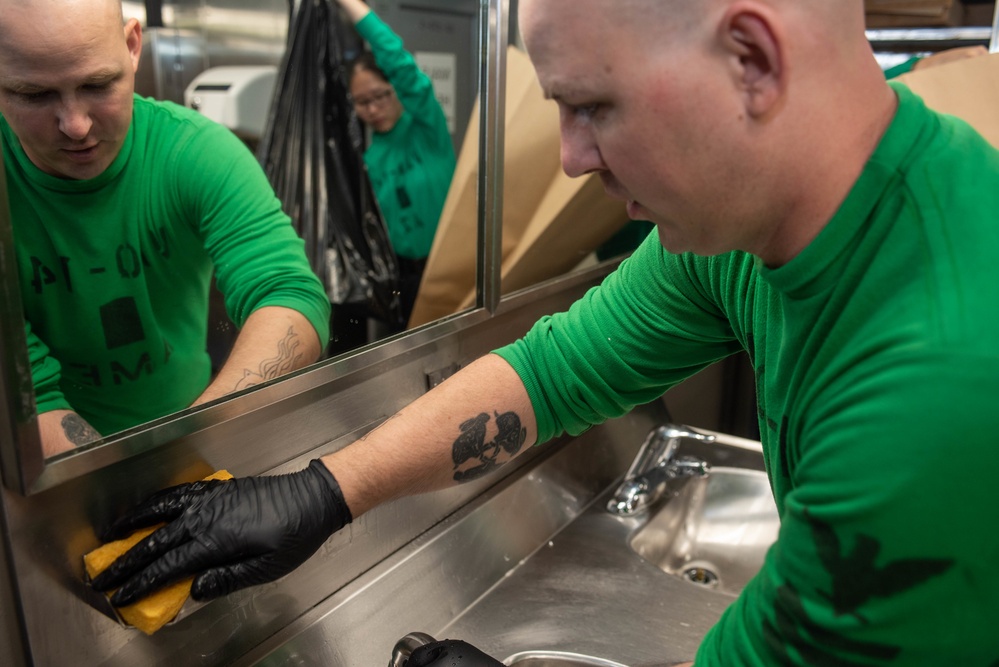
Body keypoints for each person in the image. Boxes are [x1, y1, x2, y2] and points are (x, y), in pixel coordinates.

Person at [92, 0, 999, 664]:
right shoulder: (748, 230)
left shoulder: (935, 385)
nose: (569, 158)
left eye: (593, 106)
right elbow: (554, 370)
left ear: (752, 60)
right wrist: (324, 491)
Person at [0, 0, 331, 458]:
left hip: (193, 422)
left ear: (133, 46)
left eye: (98, 84)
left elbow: (288, 294)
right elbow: (27, 386)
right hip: (40, 461)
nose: (75, 126)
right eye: (34, 95)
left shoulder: (195, 153)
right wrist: (105, 488)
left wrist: (191, 448)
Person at [337, 0, 456, 324]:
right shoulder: (370, 159)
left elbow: (399, 62)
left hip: (452, 268)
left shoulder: (426, 129)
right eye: (362, 103)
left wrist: (349, 5)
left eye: (379, 96)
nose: (372, 109)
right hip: (403, 279)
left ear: (396, 88)